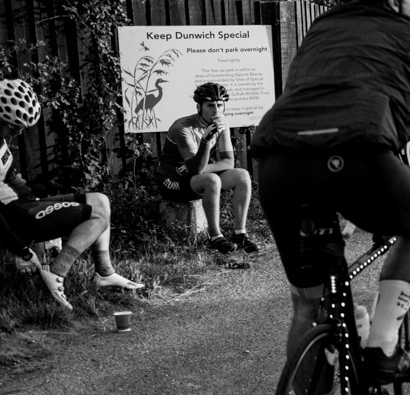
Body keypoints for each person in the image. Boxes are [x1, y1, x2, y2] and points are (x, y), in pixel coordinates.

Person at [251, 0, 410, 384]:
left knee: (308, 304)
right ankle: (382, 346)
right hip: (357, 155)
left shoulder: (318, 35)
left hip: (277, 163)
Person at [0, 79, 142, 309]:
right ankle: (58, 273)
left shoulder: (1, 138)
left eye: (20, 127)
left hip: (26, 203)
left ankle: (104, 274)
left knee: (100, 199)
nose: (17, 132)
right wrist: (22, 251)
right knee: (97, 217)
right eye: (12, 126)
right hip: (18, 216)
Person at [156, 82, 258, 254]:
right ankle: (215, 236)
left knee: (242, 175)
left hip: (192, 174)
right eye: (211, 105)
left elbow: (228, 163)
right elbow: (197, 169)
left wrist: (192, 169)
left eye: (220, 105)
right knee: (212, 180)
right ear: (199, 106)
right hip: (171, 180)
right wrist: (205, 141)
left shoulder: (221, 122)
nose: (216, 110)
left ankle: (239, 234)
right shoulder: (183, 128)